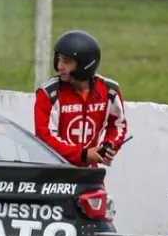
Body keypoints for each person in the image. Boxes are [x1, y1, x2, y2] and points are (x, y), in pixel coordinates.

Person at [33, 30, 128, 168]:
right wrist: (82, 154)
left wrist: (110, 145)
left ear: (85, 64)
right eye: (58, 59)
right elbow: (45, 136)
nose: (59, 66)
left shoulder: (109, 91)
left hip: (91, 175)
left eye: (66, 61)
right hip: (55, 174)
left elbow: (118, 125)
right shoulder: (49, 94)